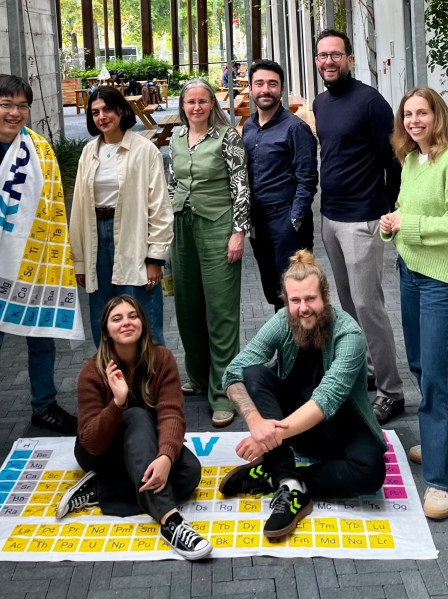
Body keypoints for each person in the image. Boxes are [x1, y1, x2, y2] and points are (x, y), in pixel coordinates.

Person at [0, 74, 79, 478]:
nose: (15, 112)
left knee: (42, 341)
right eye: (6, 104)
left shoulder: (39, 150)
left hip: (33, 262)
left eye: (22, 106)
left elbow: (51, 210)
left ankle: (45, 406)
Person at [220, 250, 386, 541]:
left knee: (372, 471)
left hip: (341, 425)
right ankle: (288, 482)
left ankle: (282, 478)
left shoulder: (349, 335)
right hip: (294, 427)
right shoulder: (283, 321)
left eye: (310, 299)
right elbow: (233, 372)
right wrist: (256, 422)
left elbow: (326, 399)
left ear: (325, 296)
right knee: (254, 374)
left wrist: (270, 437)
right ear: (286, 301)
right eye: (295, 301)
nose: (303, 308)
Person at [380, 87, 448, 521]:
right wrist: (392, 224)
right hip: (411, 271)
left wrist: (409, 224)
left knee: (436, 374)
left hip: (444, 279)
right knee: (426, 362)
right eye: (408, 114)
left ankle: (442, 482)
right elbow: (406, 210)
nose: (414, 121)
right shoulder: (410, 161)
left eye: (422, 113)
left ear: (438, 116)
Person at [56, 296, 212, 561]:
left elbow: (171, 413)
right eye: (117, 319)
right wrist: (118, 403)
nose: (126, 322)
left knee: (189, 473)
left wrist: (165, 457)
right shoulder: (92, 371)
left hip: (144, 449)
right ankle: (171, 522)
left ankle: (101, 489)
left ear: (143, 323)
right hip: (101, 452)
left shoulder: (162, 359)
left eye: (132, 316)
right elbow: (90, 441)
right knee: (137, 415)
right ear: (106, 331)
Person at [313, 28, 405, 425]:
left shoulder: (370, 102)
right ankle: (366, 372)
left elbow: (394, 158)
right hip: (330, 218)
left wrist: (389, 205)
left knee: (369, 306)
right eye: (322, 55)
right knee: (349, 306)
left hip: (363, 219)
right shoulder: (320, 103)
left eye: (336, 54)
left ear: (349, 59)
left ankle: (391, 391)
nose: (329, 61)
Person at [167, 77, 250, 428]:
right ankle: (199, 377)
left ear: (212, 104)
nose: (197, 107)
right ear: (183, 106)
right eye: (191, 102)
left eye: (203, 101)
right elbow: (172, 183)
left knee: (220, 312)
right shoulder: (175, 137)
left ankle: (223, 392)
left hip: (219, 227)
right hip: (182, 227)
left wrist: (238, 232)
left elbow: (241, 185)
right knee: (187, 308)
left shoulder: (227, 137)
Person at [69, 86, 173, 346]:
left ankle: (151, 371)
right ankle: (110, 371)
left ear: (121, 111)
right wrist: (79, 261)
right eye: (95, 112)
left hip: (133, 236)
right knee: (103, 317)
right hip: (96, 238)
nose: (102, 117)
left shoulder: (144, 150)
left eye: (107, 110)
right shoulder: (89, 152)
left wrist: (155, 258)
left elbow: (159, 207)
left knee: (141, 314)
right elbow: (79, 209)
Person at [243, 59, 318, 309]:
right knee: (272, 288)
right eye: (259, 83)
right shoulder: (249, 127)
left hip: (286, 219)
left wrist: (295, 219)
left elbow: (308, 178)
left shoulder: (295, 128)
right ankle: (284, 333)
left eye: (272, 84)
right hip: (258, 220)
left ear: (281, 89)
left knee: (294, 290)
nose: (266, 89)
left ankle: (299, 335)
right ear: (250, 89)